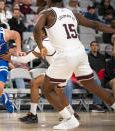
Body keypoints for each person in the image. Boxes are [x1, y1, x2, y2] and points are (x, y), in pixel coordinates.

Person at [33, 0, 115, 130]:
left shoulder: (47, 13)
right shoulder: (73, 13)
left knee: (46, 88)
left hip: (66, 55)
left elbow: (37, 28)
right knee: (93, 86)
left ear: (49, 1)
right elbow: (95, 24)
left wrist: (40, 46)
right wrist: (112, 29)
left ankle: (69, 119)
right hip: (81, 52)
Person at [0, 28, 80, 123]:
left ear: (42, 33)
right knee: (58, 92)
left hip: (59, 70)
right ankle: (72, 113)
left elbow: (25, 60)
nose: (33, 36)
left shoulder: (44, 44)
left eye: (35, 34)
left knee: (34, 82)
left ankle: (33, 115)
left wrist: (10, 57)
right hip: (65, 69)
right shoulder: (53, 40)